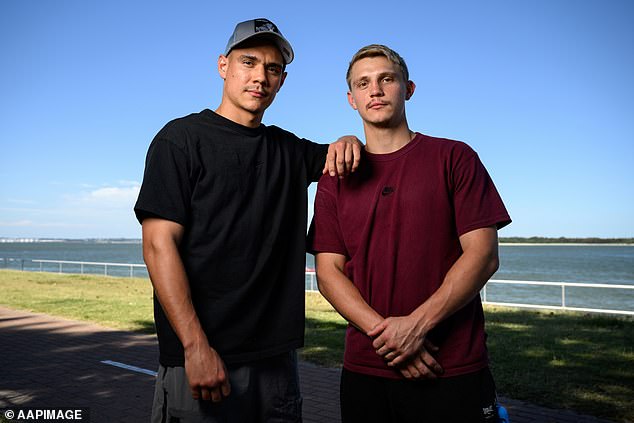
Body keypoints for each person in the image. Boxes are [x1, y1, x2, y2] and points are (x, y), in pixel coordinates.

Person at [134, 18, 361, 423]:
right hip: (202, 359)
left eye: (272, 69)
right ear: (224, 66)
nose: (260, 77)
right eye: (249, 62)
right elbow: (157, 246)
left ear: (282, 81)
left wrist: (349, 139)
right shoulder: (180, 140)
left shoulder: (289, 151)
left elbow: (341, 157)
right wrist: (194, 347)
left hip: (276, 365)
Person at [308, 44, 512, 422]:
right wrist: (391, 337)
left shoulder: (454, 157)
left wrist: (416, 326)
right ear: (351, 99)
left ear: (409, 88)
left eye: (387, 79)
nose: (376, 90)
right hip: (367, 370)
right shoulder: (334, 178)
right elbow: (328, 273)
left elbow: (483, 255)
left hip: (450, 365)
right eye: (363, 83)